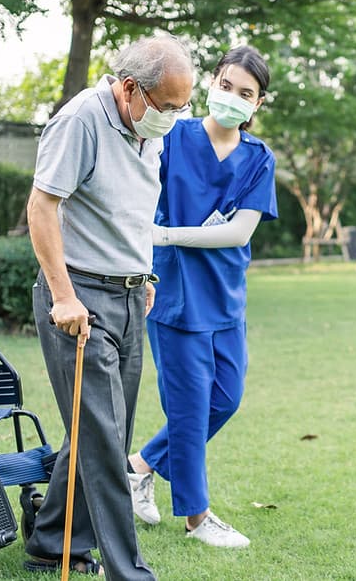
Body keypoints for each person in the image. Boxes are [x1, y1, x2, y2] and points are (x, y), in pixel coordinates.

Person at [24, 35, 195, 578]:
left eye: (182, 107)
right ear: (129, 89)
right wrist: (64, 296)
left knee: (105, 434)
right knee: (103, 444)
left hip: (128, 294)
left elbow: (129, 210)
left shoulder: (149, 127)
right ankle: (131, 572)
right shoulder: (81, 121)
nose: (174, 118)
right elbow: (42, 206)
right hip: (80, 300)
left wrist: (141, 273)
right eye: (168, 107)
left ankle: (51, 541)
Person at [127, 45, 278, 548]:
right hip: (174, 295)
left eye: (246, 94)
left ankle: (138, 466)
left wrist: (167, 235)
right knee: (191, 409)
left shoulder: (259, 159)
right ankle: (198, 518)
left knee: (226, 399)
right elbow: (137, 192)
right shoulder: (173, 138)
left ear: (257, 105)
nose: (233, 97)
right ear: (212, 83)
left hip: (226, 297)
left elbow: (239, 234)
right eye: (227, 85)